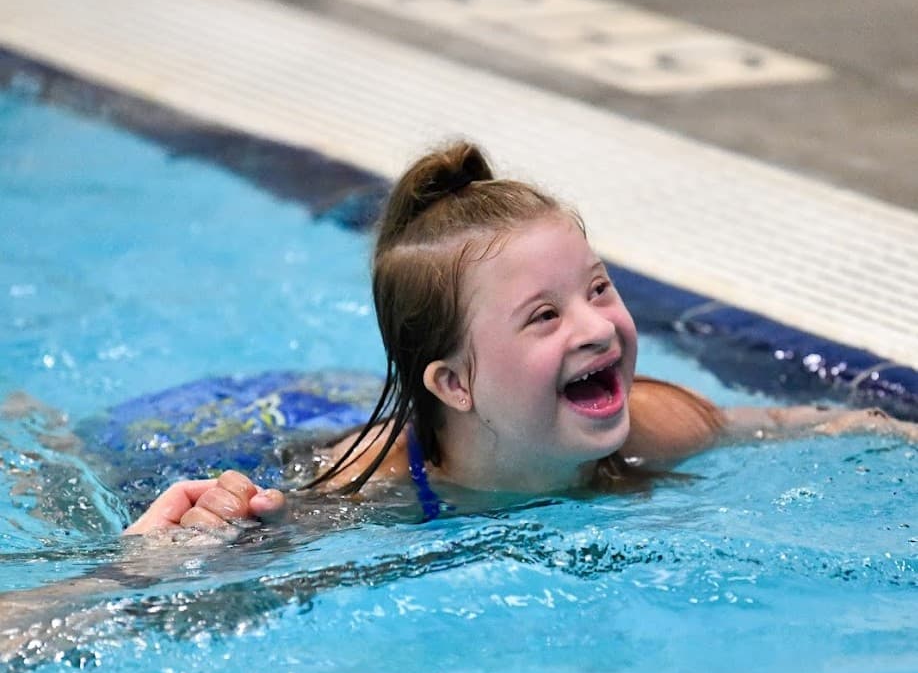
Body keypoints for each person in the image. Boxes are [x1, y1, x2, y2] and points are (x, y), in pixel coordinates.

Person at [125, 141, 917, 537]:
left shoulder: (653, 428)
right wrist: (184, 543)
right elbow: (164, 581)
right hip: (240, 424)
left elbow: (793, 427)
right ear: (453, 383)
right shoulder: (369, 495)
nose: (597, 325)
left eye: (598, 288)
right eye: (544, 315)